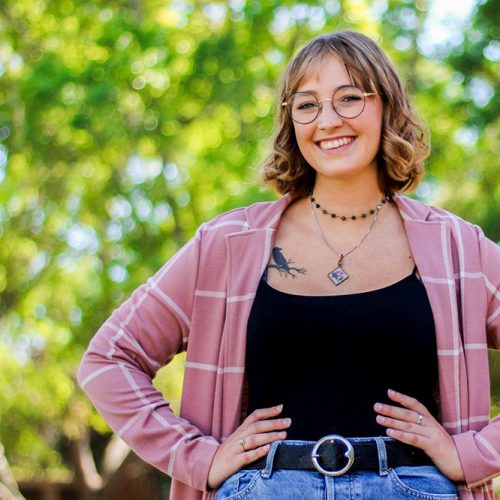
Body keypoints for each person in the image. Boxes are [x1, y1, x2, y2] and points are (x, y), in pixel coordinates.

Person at [77, 30, 500, 500]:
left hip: (412, 488)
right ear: (291, 122)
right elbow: (107, 361)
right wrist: (199, 456)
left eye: (350, 98)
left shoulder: (457, 247)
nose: (328, 120)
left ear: (388, 107)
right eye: (306, 105)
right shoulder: (226, 245)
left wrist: (473, 453)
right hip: (265, 488)